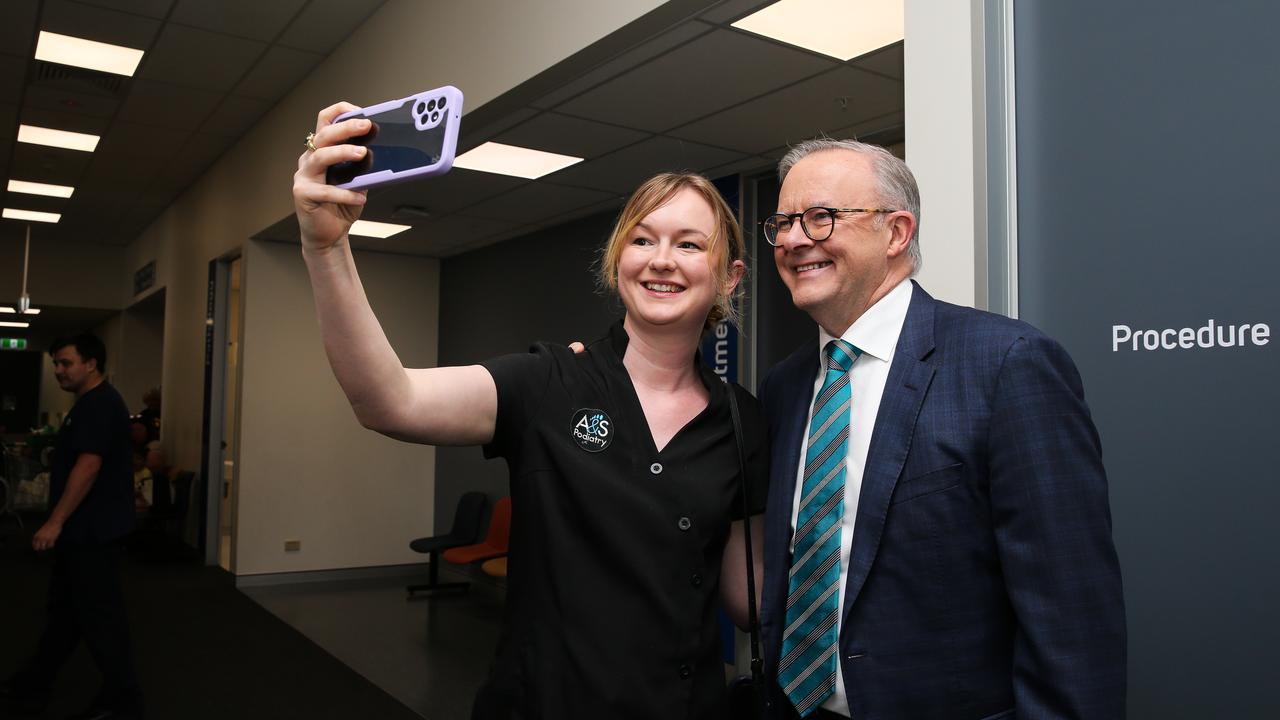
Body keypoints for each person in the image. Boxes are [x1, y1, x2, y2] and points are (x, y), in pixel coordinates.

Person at [293, 102, 768, 719]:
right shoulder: (548, 381)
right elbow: (389, 400)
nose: (660, 259)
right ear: (618, 259)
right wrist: (326, 250)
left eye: (688, 244)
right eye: (643, 239)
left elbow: (748, 598)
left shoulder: (741, 421)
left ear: (728, 278)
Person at [755, 139, 1126, 719]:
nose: (796, 239)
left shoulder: (1007, 364)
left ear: (896, 232)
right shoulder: (784, 387)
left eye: (821, 218)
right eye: (784, 222)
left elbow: (1070, 612)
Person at [1, 334, 144, 719]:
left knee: (100, 618)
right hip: (81, 533)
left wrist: (54, 521)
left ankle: (124, 700)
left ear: (91, 364)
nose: (59, 371)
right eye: (55, 365)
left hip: (92, 534)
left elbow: (89, 466)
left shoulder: (100, 405)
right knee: (65, 613)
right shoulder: (88, 404)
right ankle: (34, 681)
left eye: (65, 363)